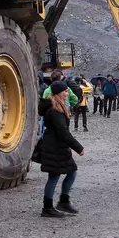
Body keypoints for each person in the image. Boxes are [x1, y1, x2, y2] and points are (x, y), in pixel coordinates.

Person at [38, 81, 84, 217]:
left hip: (58, 146)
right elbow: (63, 132)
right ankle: (47, 208)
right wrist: (78, 147)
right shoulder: (54, 110)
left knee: (71, 172)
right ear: (58, 93)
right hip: (54, 147)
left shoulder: (58, 107)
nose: (67, 92)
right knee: (54, 176)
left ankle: (63, 201)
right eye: (65, 91)